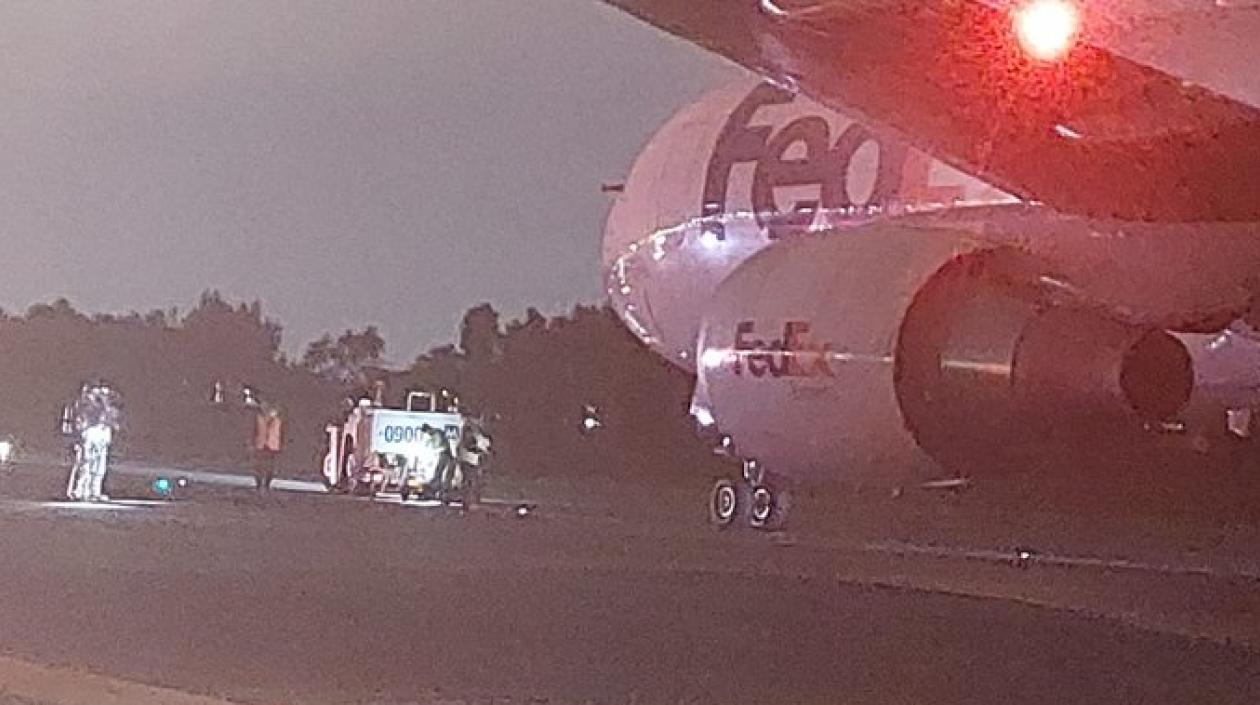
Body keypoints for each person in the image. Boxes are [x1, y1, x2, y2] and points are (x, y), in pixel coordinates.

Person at [65, 383, 123, 502]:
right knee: (85, 464)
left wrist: (107, 403)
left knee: (100, 466)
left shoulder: (108, 405)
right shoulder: (84, 403)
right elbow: (81, 418)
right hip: (89, 432)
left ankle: (95, 491)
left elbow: (113, 419)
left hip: (102, 433)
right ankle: (79, 491)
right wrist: (76, 437)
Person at [252, 405, 284, 492]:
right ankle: (258, 483)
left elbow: (279, 433)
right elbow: (255, 431)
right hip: (261, 444)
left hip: (272, 445)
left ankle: (267, 484)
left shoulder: (277, 420)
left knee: (269, 466)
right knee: (259, 465)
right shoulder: (260, 418)